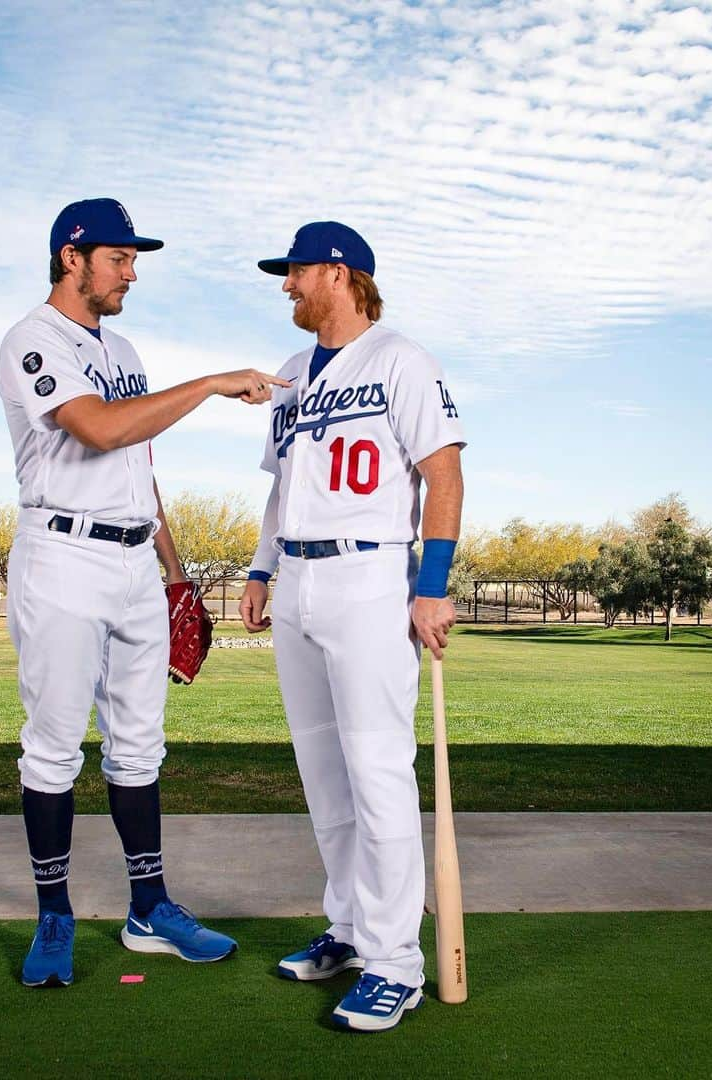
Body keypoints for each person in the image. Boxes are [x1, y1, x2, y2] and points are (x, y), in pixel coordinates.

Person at [0, 197, 287, 987]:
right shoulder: (32, 339)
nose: (132, 272)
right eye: (121, 258)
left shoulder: (120, 345)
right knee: (54, 746)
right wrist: (213, 383)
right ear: (73, 257)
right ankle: (54, 916)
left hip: (132, 560)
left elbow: (139, 467)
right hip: (62, 556)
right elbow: (100, 430)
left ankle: (149, 908)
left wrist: (175, 567)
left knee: (139, 744)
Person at [239, 221, 466, 1032]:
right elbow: (281, 486)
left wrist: (430, 587)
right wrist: (262, 568)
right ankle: (350, 928)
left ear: (338, 274)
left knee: (376, 772)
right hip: (297, 579)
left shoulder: (403, 359)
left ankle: (396, 962)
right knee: (323, 773)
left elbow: (443, 472)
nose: (287, 286)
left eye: (295, 272)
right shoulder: (295, 374)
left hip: (371, 573)